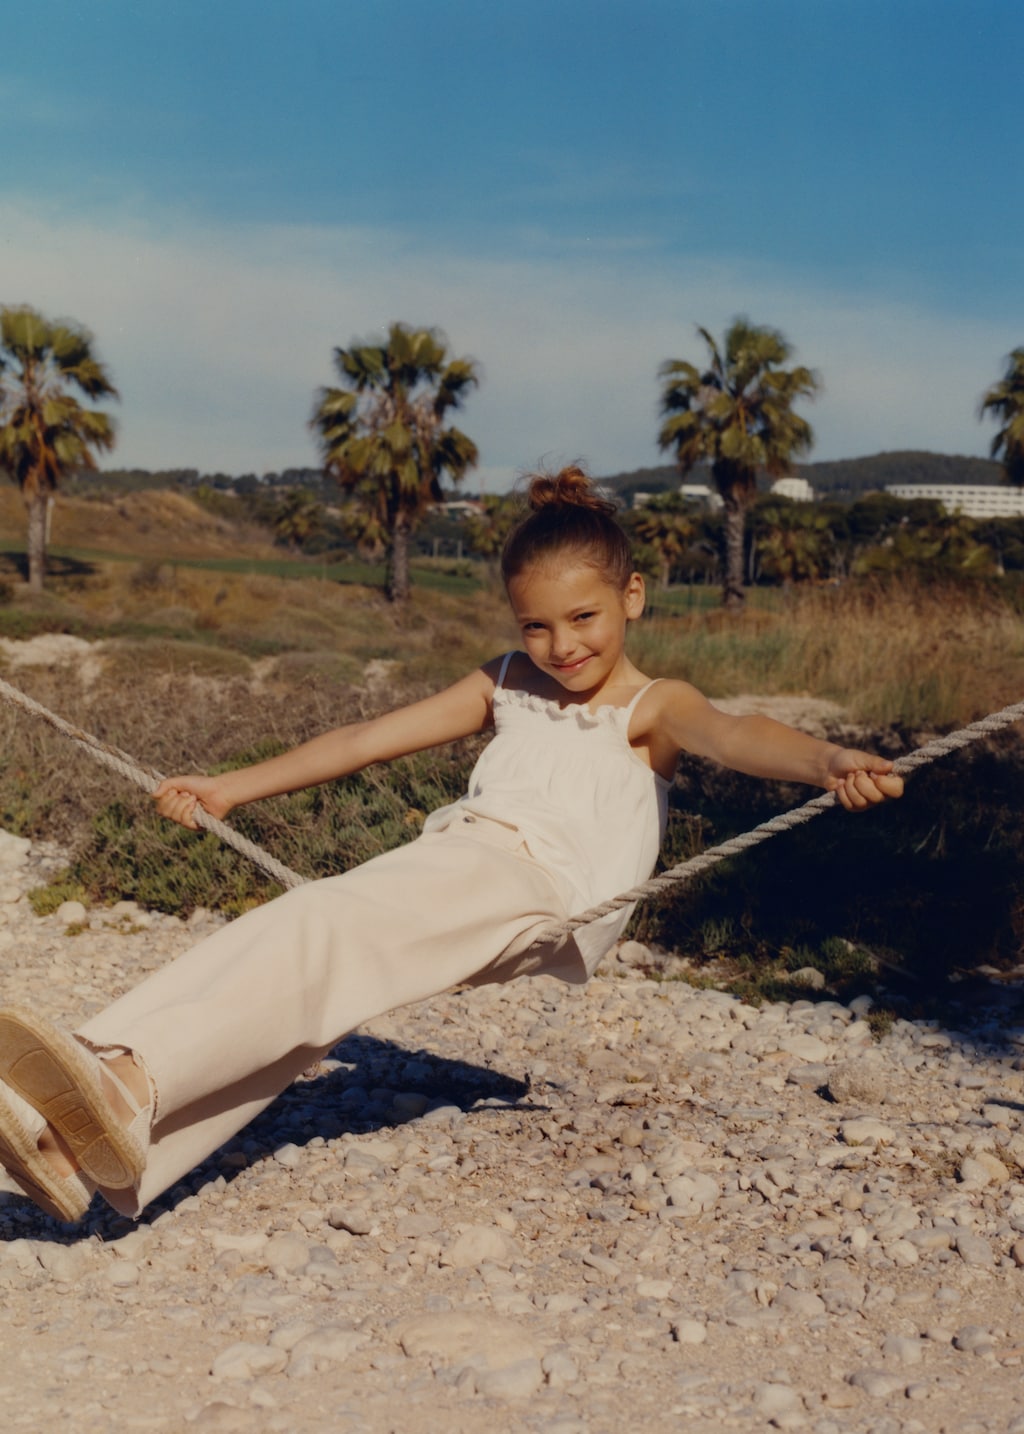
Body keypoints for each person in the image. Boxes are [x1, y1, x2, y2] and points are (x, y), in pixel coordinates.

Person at [0, 466, 903, 1224]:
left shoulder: (651, 706)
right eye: (537, 626)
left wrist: (825, 760)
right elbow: (364, 742)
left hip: (538, 888)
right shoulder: (507, 683)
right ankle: (102, 1164)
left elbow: (737, 733)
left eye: (584, 619)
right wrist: (230, 787)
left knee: (321, 922)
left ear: (632, 596)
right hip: (460, 860)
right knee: (325, 981)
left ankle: (121, 1075)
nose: (561, 646)